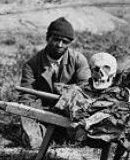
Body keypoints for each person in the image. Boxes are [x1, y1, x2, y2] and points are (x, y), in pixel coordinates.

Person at [19, 17, 91, 148]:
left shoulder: (79, 60)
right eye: (56, 39)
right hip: (44, 114)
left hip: (71, 114)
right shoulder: (32, 64)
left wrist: (66, 98)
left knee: (81, 137)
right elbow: (26, 97)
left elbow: (86, 91)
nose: (60, 45)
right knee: (33, 141)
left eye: (65, 42)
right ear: (48, 38)